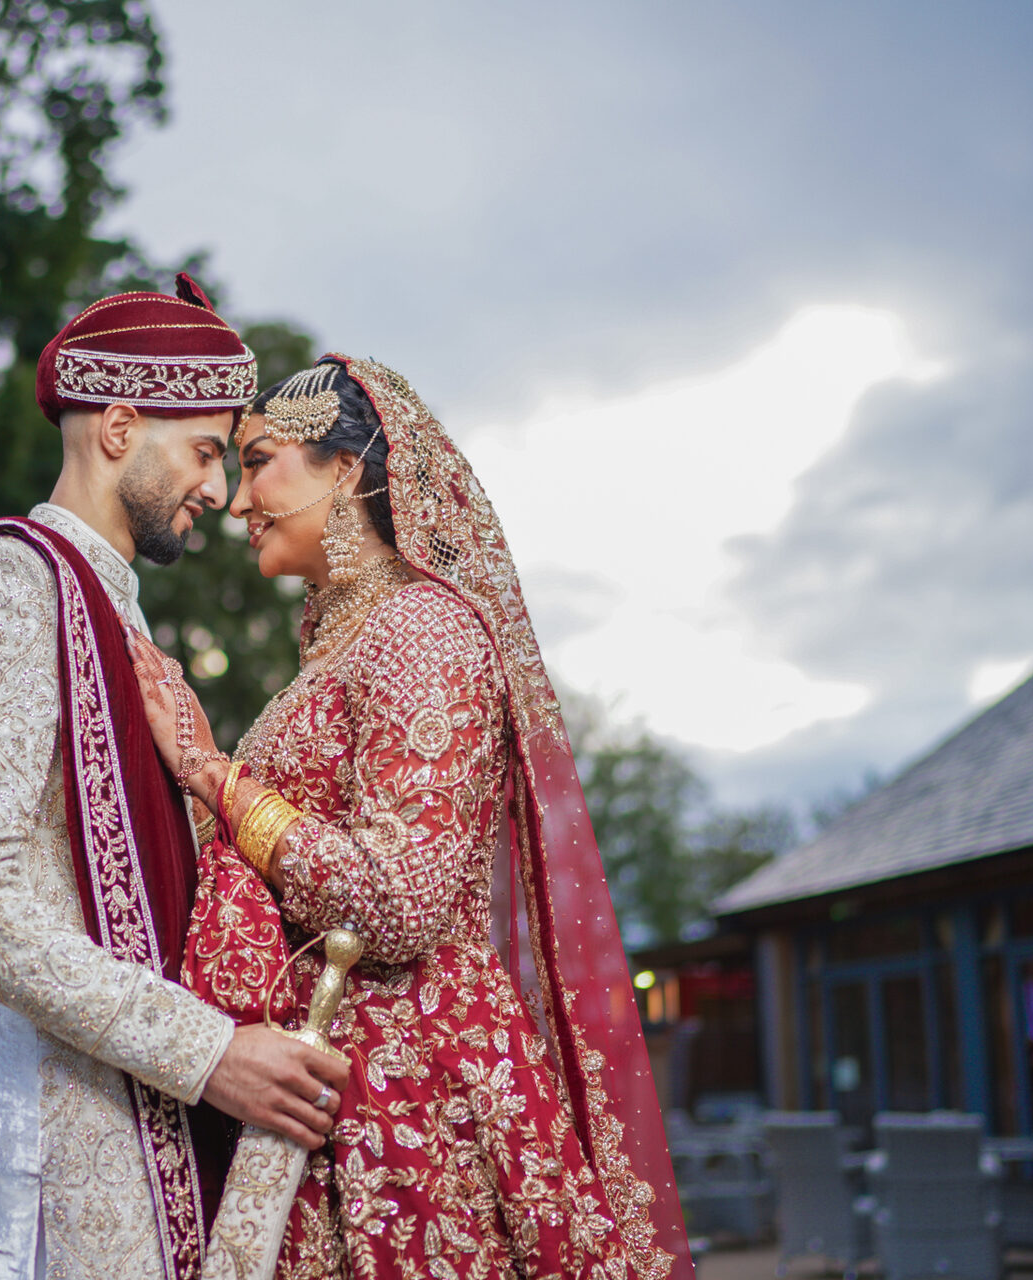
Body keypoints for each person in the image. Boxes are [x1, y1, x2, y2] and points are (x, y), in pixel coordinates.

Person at [128, 356, 693, 1279]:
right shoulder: (344, 648)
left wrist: (210, 774)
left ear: (346, 470)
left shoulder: (424, 629)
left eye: (261, 460)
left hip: (416, 1091)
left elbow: (400, 899)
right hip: (330, 1074)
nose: (237, 503)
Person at [0, 279, 351, 1280]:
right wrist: (211, 1051)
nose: (220, 490)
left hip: (146, 1142)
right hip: (55, 1163)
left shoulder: (119, 615)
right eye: (202, 451)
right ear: (117, 427)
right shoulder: (9, 583)